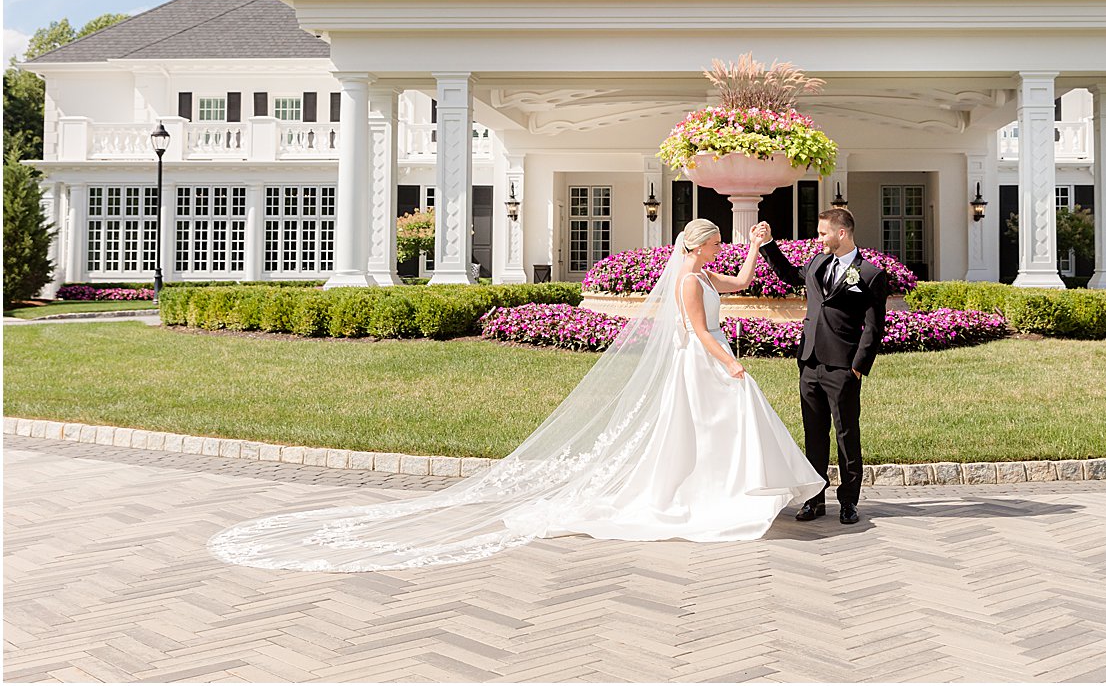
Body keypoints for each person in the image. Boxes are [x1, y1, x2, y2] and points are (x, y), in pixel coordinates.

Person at [208, 219, 825, 572]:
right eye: (716, 246)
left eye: (721, 247)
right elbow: (697, 330)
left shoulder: (707, 271)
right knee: (700, 430)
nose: (720, 255)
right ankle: (694, 495)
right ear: (696, 248)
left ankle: (719, 492)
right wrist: (733, 364)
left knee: (714, 433)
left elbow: (746, 282)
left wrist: (752, 242)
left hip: (711, 363)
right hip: (704, 364)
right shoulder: (689, 283)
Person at [756, 209, 887, 525]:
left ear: (841, 233)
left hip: (843, 367)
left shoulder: (870, 274)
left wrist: (856, 368)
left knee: (846, 435)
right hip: (810, 362)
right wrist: (768, 244)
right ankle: (814, 501)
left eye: (822, 232)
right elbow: (789, 276)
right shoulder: (817, 263)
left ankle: (849, 502)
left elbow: (873, 328)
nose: (819, 238)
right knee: (814, 436)